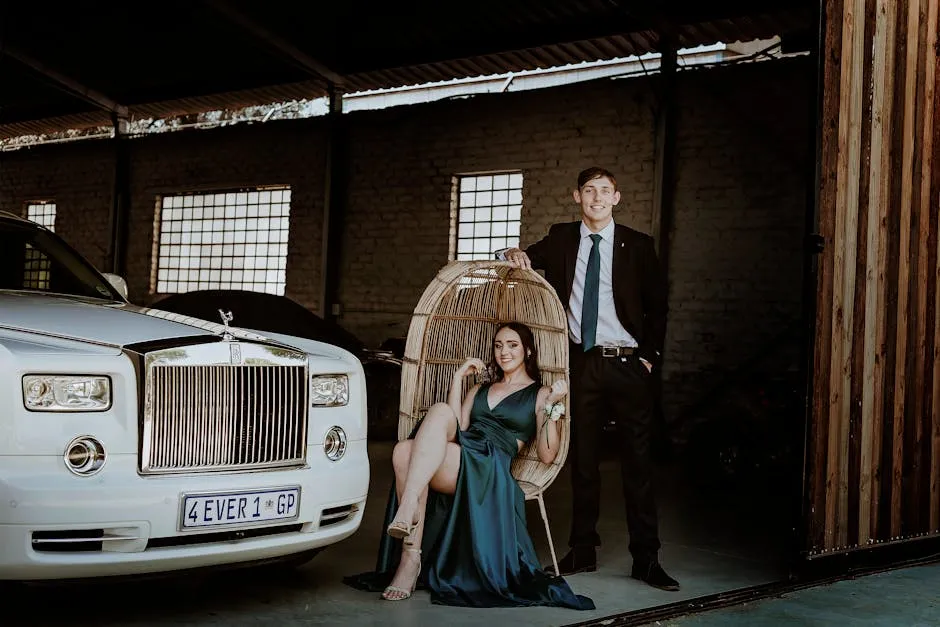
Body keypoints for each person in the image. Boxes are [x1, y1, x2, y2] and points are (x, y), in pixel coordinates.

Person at [500, 166, 679, 591]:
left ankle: (647, 559)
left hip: (629, 364)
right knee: (583, 460)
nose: (596, 198)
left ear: (616, 198)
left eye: (604, 191)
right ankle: (582, 550)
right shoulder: (562, 238)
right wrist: (515, 252)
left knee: (638, 463)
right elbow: (526, 257)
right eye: (588, 191)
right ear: (576, 197)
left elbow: (659, 306)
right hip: (582, 364)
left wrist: (649, 359)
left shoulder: (638, 245)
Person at [344, 322, 594, 610]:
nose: (504, 352)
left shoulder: (539, 393)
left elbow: (548, 454)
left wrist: (553, 406)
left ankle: (409, 534)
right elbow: (457, 427)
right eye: (498, 345)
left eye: (512, 345)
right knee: (409, 443)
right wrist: (457, 378)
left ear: (528, 351)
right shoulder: (480, 388)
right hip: (463, 450)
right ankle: (410, 553)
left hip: (488, 464)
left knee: (405, 452)